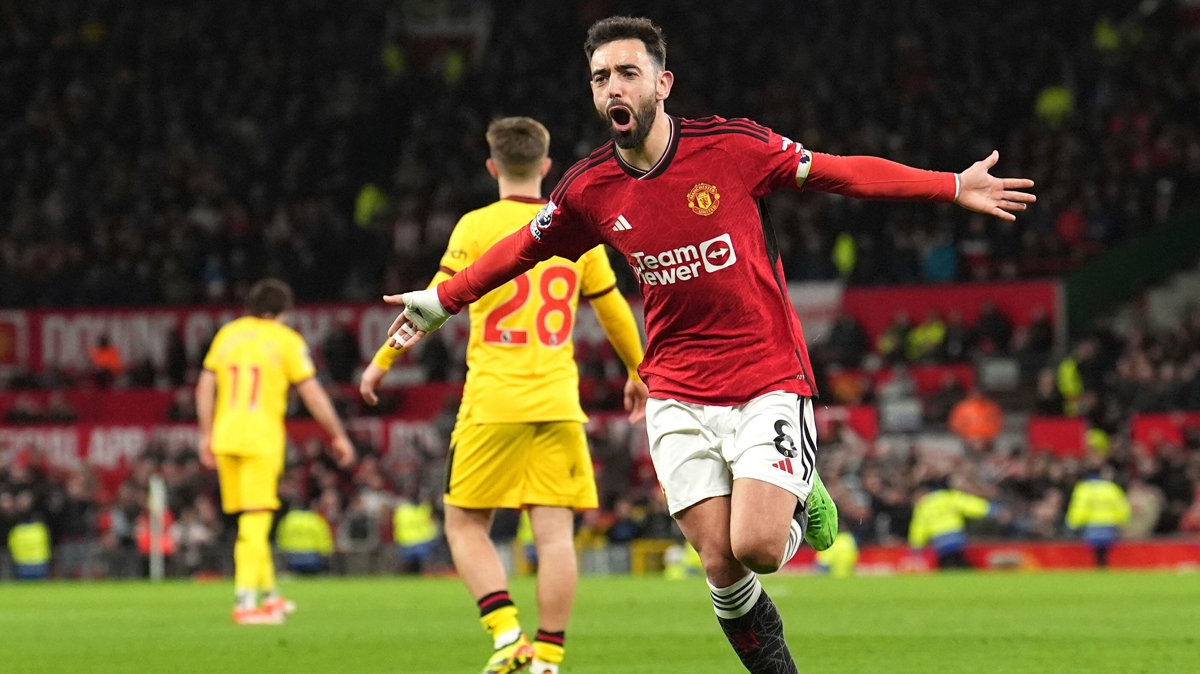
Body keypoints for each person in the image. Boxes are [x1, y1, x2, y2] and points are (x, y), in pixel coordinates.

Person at [385, 16, 1034, 674]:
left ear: (662, 84)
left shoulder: (731, 147)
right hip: (675, 390)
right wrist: (443, 300)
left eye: (628, 73)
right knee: (720, 563)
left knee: (757, 548)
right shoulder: (588, 188)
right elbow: (523, 249)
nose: (614, 87)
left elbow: (840, 173)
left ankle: (801, 486)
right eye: (601, 77)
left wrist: (951, 185)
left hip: (765, 376)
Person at [359, 117, 648, 674]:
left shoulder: (474, 226)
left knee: (464, 524)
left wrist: (381, 363)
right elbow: (612, 307)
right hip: (558, 402)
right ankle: (548, 658)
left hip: (492, 402)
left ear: (492, 167)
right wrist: (638, 371)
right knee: (555, 535)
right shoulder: (574, 224)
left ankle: (508, 635)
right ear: (546, 166)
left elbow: (434, 302)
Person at [196, 279, 355, 625]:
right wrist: (338, 435)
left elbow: (205, 384)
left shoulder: (228, 334)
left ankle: (269, 597)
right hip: (260, 438)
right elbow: (312, 392)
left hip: (225, 436)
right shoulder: (286, 340)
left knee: (251, 520)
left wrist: (206, 434)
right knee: (256, 521)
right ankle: (245, 603)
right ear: (284, 311)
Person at [908, 479, 994, 569]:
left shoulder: (923, 506)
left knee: (946, 563)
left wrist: (916, 544)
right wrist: (990, 509)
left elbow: (919, 526)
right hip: (955, 534)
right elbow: (969, 504)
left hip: (939, 538)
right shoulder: (948, 496)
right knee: (959, 559)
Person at [1065, 466, 1131, 568]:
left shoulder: (1084, 488)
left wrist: (1073, 522)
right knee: (1105, 550)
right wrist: (1123, 520)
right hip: (1108, 522)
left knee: (1094, 550)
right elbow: (1120, 505)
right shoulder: (1111, 488)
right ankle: (1103, 567)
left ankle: (1097, 568)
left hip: (1091, 524)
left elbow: (1079, 506)